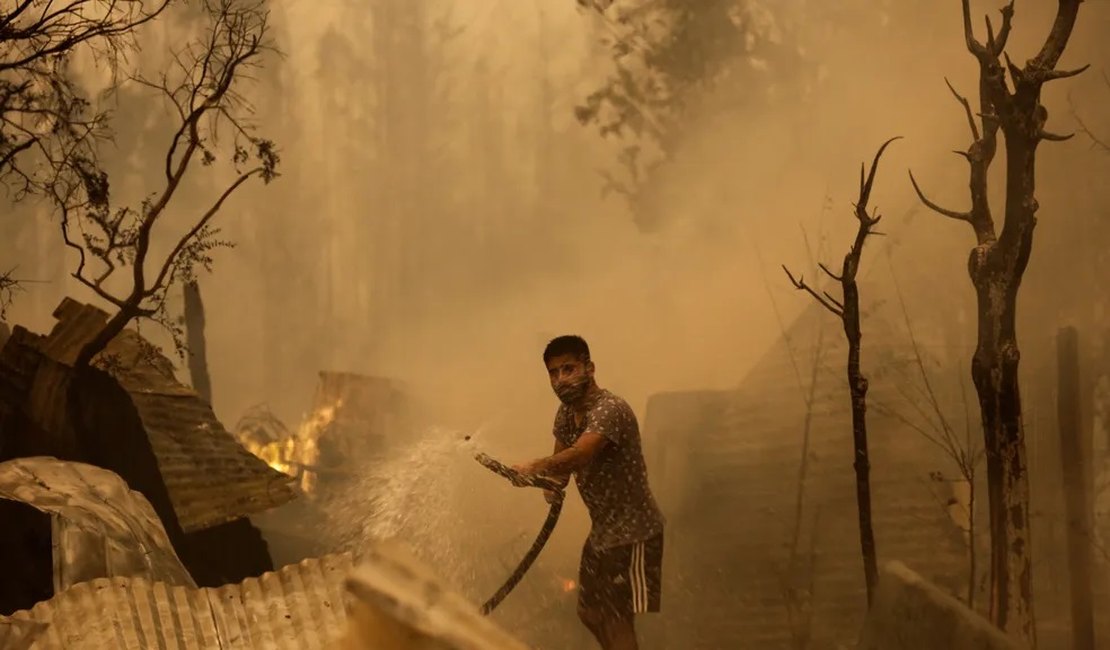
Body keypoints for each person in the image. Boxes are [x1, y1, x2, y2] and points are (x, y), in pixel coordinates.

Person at [512, 335, 665, 650]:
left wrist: (535, 466)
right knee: (590, 612)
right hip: (604, 534)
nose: (560, 379)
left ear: (589, 368)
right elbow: (560, 474)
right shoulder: (566, 415)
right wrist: (543, 485)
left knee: (615, 616)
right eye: (553, 373)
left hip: (634, 532)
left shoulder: (610, 409)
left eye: (568, 369)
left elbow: (581, 454)